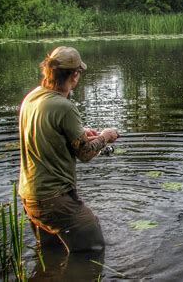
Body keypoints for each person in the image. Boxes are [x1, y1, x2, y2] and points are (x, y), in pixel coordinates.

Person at [18, 46, 118, 253]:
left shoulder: (33, 97)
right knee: (94, 247)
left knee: (50, 254)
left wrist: (81, 133)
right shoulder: (64, 107)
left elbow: (48, 132)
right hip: (54, 199)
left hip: (30, 197)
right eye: (79, 73)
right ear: (74, 75)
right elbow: (86, 153)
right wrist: (105, 137)